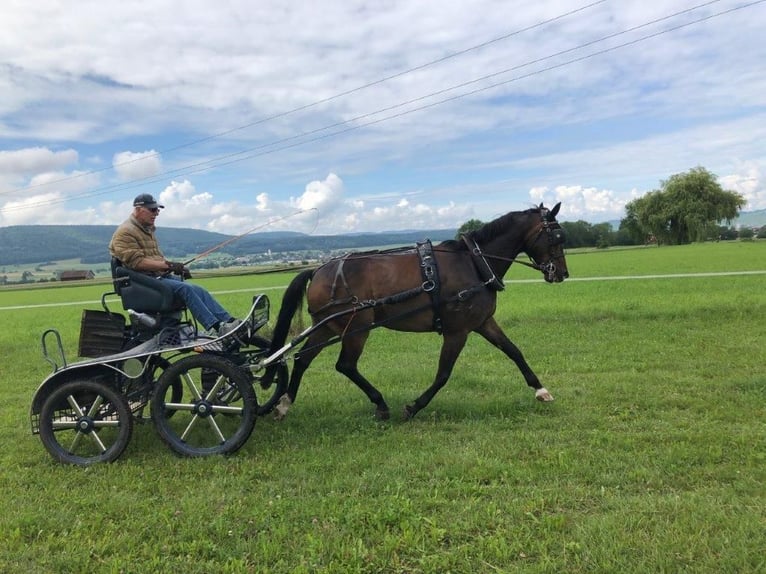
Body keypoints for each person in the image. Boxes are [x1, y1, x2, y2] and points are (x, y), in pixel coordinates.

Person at [109, 193, 241, 337]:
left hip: (155, 278)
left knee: (198, 289)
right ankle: (216, 327)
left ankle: (230, 321)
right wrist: (169, 266)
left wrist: (177, 268)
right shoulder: (125, 232)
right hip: (142, 282)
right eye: (152, 210)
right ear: (139, 209)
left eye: (157, 210)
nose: (156, 213)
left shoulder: (146, 229)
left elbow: (155, 258)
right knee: (186, 289)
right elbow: (137, 263)